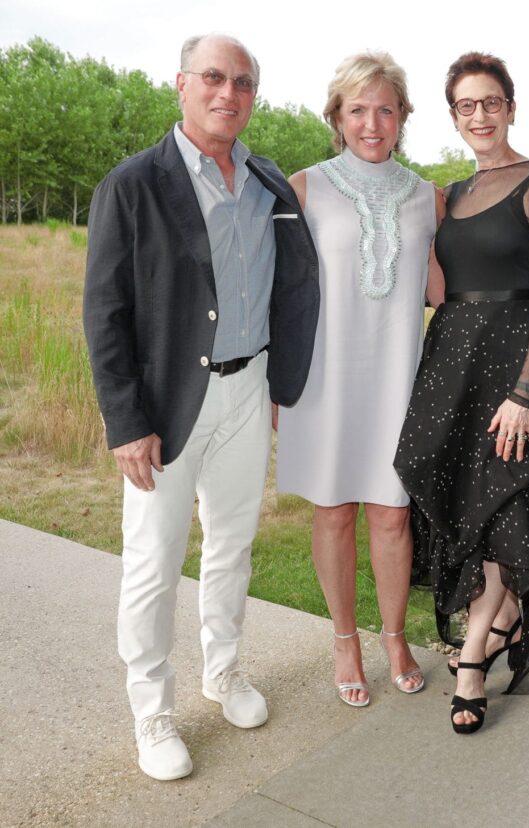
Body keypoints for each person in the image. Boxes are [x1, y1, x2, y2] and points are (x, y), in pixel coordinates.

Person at [83, 34, 319, 781]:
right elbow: (104, 312)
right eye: (213, 78)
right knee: (153, 564)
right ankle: (151, 712)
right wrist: (126, 422)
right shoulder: (133, 185)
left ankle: (224, 672)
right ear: (180, 84)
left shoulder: (266, 180)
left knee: (232, 547)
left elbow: (292, 282)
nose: (228, 94)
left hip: (248, 393)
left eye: (242, 82)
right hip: (166, 403)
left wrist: (284, 380)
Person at [394, 52, 529, 735]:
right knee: (461, 503)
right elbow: (434, 287)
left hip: (515, 369)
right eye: (465, 106)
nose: (479, 116)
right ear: (453, 116)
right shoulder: (447, 193)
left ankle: (475, 656)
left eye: (490, 102)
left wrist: (525, 390)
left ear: (510, 106)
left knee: (504, 508)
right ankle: (501, 615)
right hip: (453, 365)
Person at [276, 52, 442, 708]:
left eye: (385, 108)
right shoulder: (305, 187)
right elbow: (281, 294)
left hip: (398, 378)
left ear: (402, 117)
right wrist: (274, 385)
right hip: (325, 377)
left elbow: (442, 291)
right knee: (335, 510)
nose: (371, 122)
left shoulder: (431, 197)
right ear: (336, 118)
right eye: (357, 109)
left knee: (394, 514)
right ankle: (345, 639)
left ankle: (394, 636)